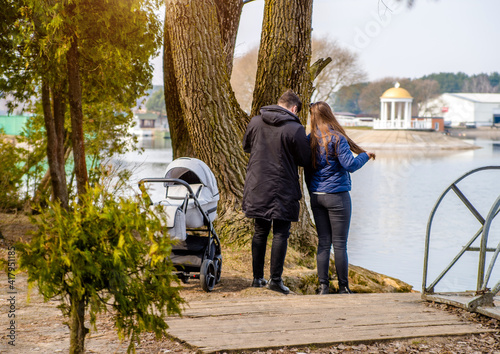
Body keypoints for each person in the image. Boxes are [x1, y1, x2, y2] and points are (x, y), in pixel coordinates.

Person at [242, 89, 311, 294]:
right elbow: (304, 159)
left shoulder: (255, 121)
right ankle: (275, 280)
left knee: (260, 231)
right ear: (294, 108)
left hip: (258, 184)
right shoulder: (295, 128)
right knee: (281, 233)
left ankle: (256, 278)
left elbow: (246, 146)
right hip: (283, 186)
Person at [306, 101, 375, 295]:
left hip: (317, 196)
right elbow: (350, 165)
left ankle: (323, 287)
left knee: (323, 243)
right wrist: (365, 156)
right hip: (337, 197)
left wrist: (312, 190)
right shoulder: (337, 138)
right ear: (329, 115)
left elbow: (306, 169)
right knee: (340, 244)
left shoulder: (309, 139)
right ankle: (344, 288)